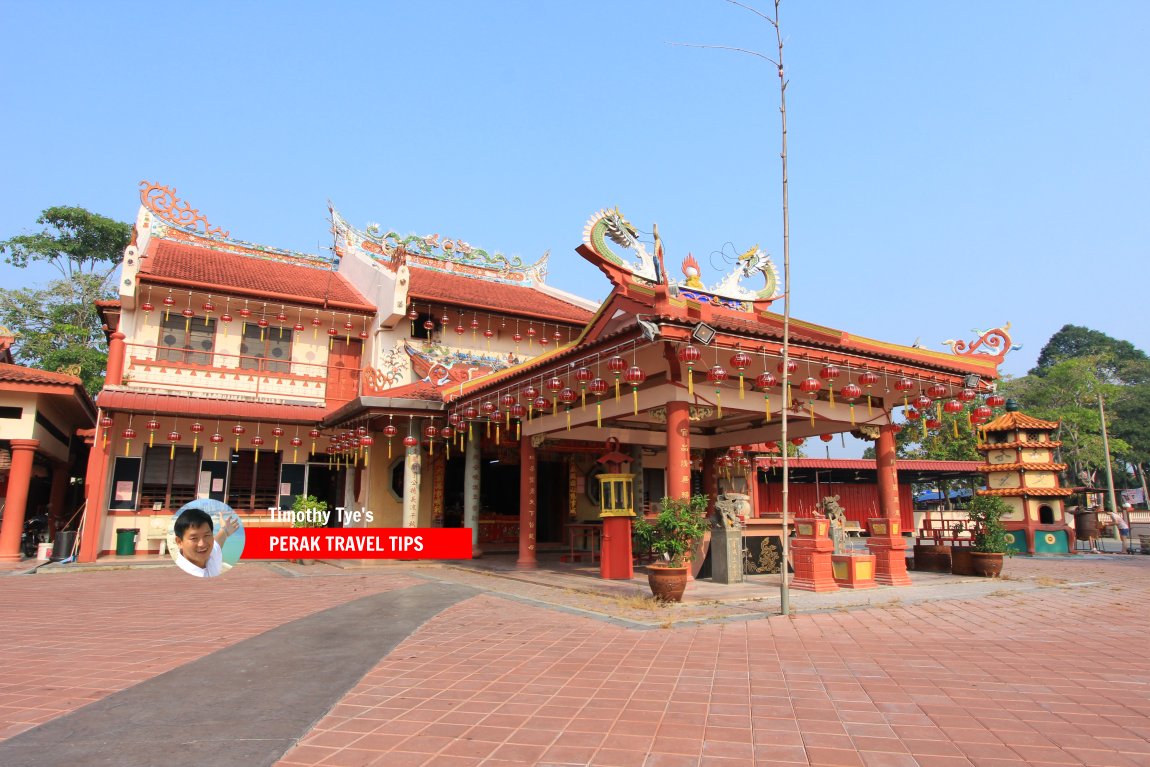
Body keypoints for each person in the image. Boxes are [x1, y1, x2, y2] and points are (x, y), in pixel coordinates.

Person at [173, 507, 239, 577]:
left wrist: (225, 530)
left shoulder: (211, 554)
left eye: (207, 535)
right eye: (194, 538)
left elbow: (218, 541)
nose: (202, 544)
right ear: (179, 542)